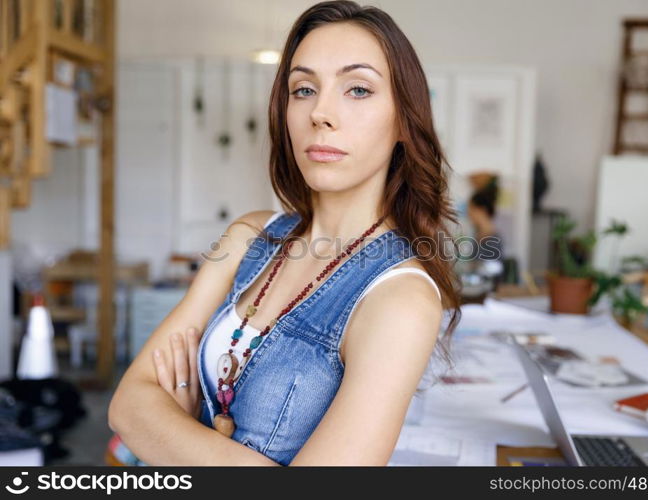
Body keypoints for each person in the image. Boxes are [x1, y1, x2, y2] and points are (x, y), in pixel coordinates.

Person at [108, 0, 462, 466]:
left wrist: (175, 431)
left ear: (403, 118)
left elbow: (148, 419)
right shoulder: (249, 236)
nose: (321, 113)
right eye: (303, 89)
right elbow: (127, 405)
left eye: (357, 89)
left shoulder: (401, 298)